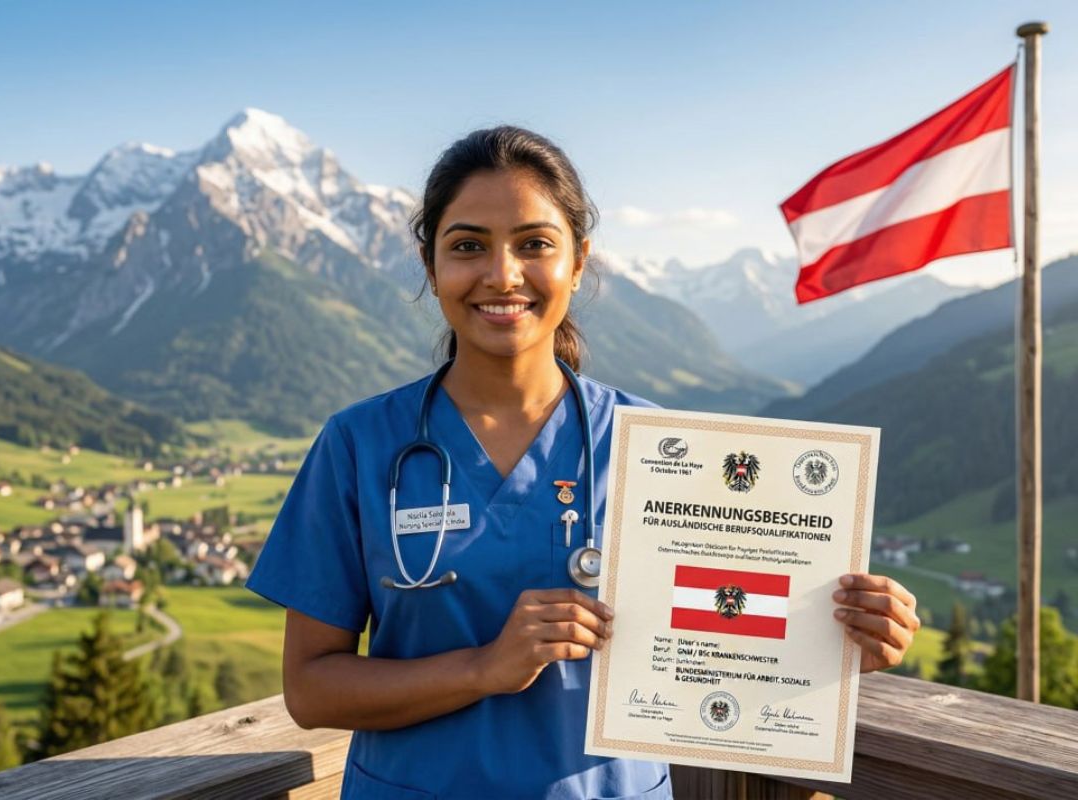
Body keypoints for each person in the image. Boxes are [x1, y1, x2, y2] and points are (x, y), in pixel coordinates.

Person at [245, 126, 921, 799]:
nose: (502, 274)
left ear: (578, 260)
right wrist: (483, 669)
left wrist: (835, 640)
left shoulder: (665, 450)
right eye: (467, 246)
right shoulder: (358, 446)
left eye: (534, 244)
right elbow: (311, 689)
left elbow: (732, 634)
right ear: (431, 267)